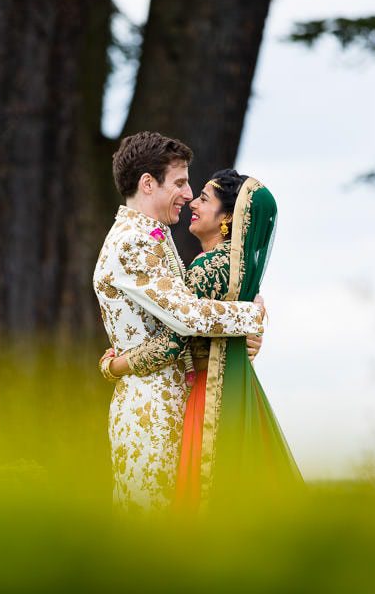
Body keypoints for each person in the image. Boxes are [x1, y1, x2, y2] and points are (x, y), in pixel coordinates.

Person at [102, 169, 303, 512]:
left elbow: (174, 340)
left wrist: (115, 365)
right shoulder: (234, 268)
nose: (192, 201)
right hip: (231, 385)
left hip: (208, 392)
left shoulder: (209, 268)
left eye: (204, 200)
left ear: (228, 218)